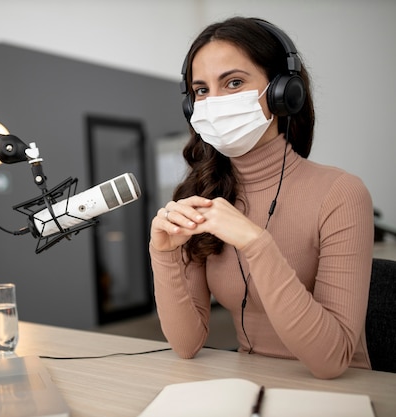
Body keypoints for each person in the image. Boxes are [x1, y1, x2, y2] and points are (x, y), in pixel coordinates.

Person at [149, 16, 374, 379]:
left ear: (282, 91)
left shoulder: (341, 193)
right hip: (248, 384)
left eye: (234, 82)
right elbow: (186, 344)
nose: (214, 102)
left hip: (337, 393)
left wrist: (257, 244)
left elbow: (332, 361)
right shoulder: (201, 195)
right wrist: (163, 253)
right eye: (202, 90)